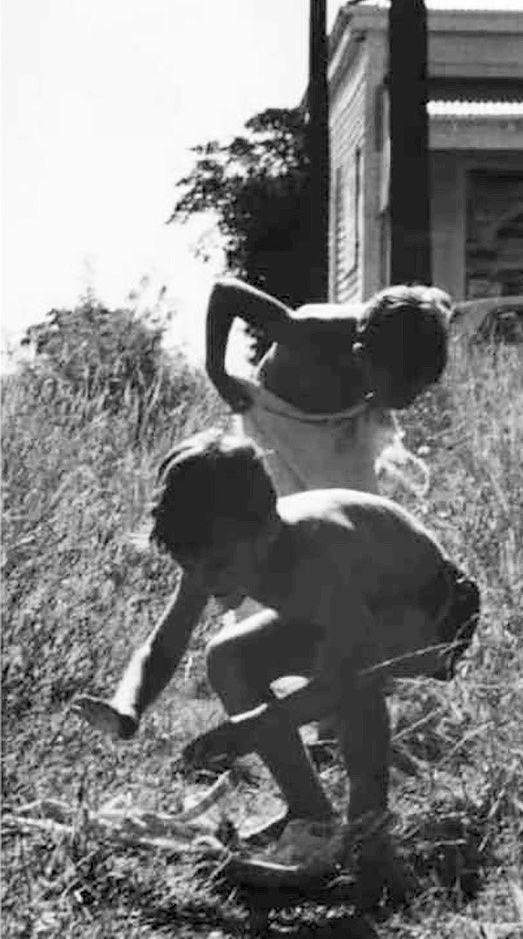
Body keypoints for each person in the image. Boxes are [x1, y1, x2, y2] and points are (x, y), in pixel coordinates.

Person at [73, 429, 480, 881]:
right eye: (193, 568)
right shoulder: (215, 549)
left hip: (436, 612)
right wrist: (127, 708)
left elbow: (347, 678)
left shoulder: (317, 556)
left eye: (218, 567)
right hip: (364, 608)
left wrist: (251, 729)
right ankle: (309, 814)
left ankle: (369, 831)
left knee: (352, 682)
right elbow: (162, 646)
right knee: (229, 657)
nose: (205, 582)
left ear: (266, 529)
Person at [203, 278, 453, 500]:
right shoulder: (306, 332)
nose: (409, 403)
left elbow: (438, 302)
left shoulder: (415, 341)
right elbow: (225, 293)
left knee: (359, 511)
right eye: (400, 390)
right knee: (287, 508)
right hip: (280, 417)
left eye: (416, 392)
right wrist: (217, 372)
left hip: (344, 419)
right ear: (361, 356)